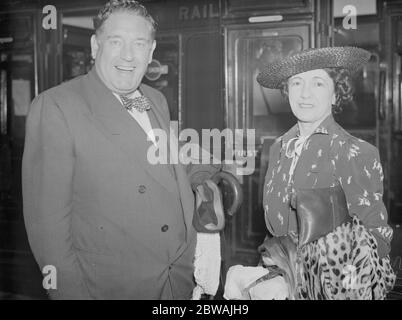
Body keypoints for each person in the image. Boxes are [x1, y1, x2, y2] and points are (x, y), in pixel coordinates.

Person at [22, 0, 220, 299]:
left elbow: (160, 162)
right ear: (94, 45)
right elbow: (48, 230)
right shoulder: (56, 107)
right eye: (116, 41)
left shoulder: (156, 99)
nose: (128, 55)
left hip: (174, 281)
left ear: (151, 51)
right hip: (113, 288)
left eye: (139, 43)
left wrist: (207, 168)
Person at [257, 46, 396, 299]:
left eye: (318, 83)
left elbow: (377, 238)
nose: (305, 93)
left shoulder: (354, 151)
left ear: (335, 94)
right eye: (297, 83)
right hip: (279, 282)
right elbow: (275, 230)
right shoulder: (277, 148)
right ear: (287, 92)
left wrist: (337, 286)